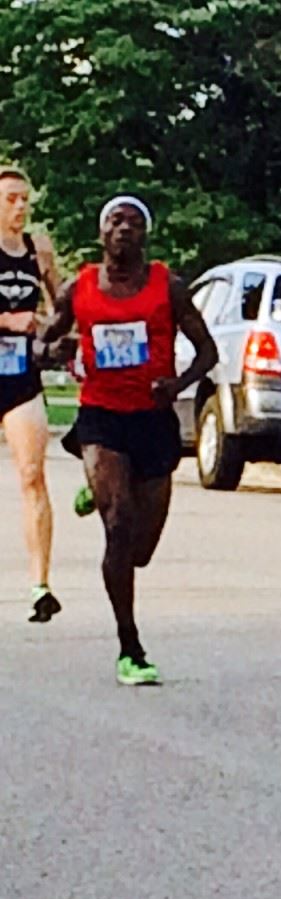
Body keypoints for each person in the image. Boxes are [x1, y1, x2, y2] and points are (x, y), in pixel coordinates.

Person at [39, 195, 218, 685]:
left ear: (145, 235)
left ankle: (99, 489)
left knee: (139, 549)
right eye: (114, 221)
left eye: (133, 223)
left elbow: (208, 350)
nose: (123, 229)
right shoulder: (78, 289)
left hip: (153, 421)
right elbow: (44, 346)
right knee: (118, 525)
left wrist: (177, 386)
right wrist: (54, 349)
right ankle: (130, 646)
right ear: (102, 234)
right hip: (102, 418)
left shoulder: (169, 287)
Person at [0, 167, 63, 622]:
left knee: (31, 473)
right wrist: (8, 321)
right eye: (10, 200)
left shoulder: (35, 250)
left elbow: (62, 307)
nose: (19, 208)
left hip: (19, 373)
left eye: (24, 199)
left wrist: (51, 323)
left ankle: (40, 585)